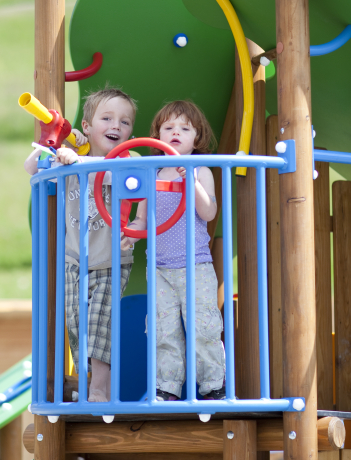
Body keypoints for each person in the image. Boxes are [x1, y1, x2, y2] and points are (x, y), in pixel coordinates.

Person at [24, 87, 138, 402]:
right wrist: (55, 140)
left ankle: (102, 389)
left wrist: (78, 162)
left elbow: (122, 178)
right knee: (77, 325)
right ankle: (89, 386)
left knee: (101, 323)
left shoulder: (130, 159)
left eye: (125, 122)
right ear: (86, 127)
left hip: (111, 258)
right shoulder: (70, 158)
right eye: (107, 118)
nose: (117, 126)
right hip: (74, 259)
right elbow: (31, 167)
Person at [121, 100, 226, 401]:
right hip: (159, 268)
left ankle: (212, 386)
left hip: (195, 265)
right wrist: (131, 236)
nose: (176, 132)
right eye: (168, 127)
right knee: (163, 330)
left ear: (197, 137)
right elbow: (141, 219)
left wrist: (191, 183)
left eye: (185, 128)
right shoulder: (152, 174)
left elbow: (208, 212)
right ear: (157, 135)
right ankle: (167, 388)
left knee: (203, 327)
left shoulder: (200, 170)